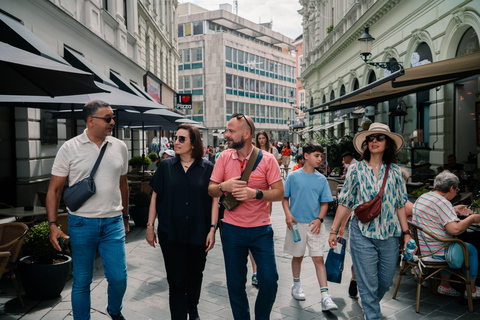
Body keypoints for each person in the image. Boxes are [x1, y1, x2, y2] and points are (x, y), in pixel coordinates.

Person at [46, 100, 129, 320]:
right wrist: (53, 225)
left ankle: (114, 310)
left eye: (113, 117)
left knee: (119, 277)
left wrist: (126, 216)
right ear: (91, 121)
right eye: (107, 118)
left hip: (113, 222)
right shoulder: (70, 148)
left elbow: (123, 185)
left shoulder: (120, 146)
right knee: (82, 281)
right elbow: (54, 190)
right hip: (81, 223)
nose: (112, 122)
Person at [328, 122, 412, 320]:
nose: (374, 140)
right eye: (370, 138)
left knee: (384, 282)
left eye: (379, 137)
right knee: (367, 283)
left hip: (390, 235)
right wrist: (334, 230)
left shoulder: (396, 172)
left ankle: (370, 304)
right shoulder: (356, 169)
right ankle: (372, 314)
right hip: (362, 233)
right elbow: (346, 202)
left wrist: (407, 234)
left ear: (387, 143)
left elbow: (401, 204)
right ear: (366, 144)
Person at [208, 113, 284, 320]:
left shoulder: (268, 160)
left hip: (261, 229)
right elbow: (211, 190)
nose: (226, 135)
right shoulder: (223, 157)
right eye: (227, 130)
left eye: (231, 131)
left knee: (269, 280)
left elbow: (279, 193)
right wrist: (224, 186)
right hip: (232, 230)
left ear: (247, 134)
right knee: (235, 284)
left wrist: (255, 193)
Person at [146, 124, 218, 320]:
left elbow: (215, 200)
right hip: (171, 232)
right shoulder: (165, 166)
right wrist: (150, 226)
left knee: (195, 277)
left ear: (193, 144)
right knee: (176, 281)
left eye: (181, 139)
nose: (175, 142)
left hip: (199, 232)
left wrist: (213, 229)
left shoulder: (208, 168)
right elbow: (154, 196)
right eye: (175, 138)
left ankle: (192, 308)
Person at [282, 141, 338, 312]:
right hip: (296, 225)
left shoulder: (321, 179)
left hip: (315, 225)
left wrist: (320, 220)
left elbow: (324, 203)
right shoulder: (293, 176)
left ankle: (325, 296)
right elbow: (285, 198)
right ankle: (296, 285)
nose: (319, 159)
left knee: (318, 258)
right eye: (316, 155)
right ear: (306, 156)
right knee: (297, 256)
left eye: (321, 156)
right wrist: (288, 215)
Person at [412, 171, 480, 298]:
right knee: (470, 249)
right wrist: (472, 218)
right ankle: (472, 290)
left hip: (422, 248)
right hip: (436, 251)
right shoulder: (443, 203)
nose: (456, 191)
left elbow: (433, 213)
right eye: (457, 189)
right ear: (451, 189)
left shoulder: (424, 197)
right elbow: (454, 230)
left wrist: (453, 209)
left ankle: (445, 285)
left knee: (453, 243)